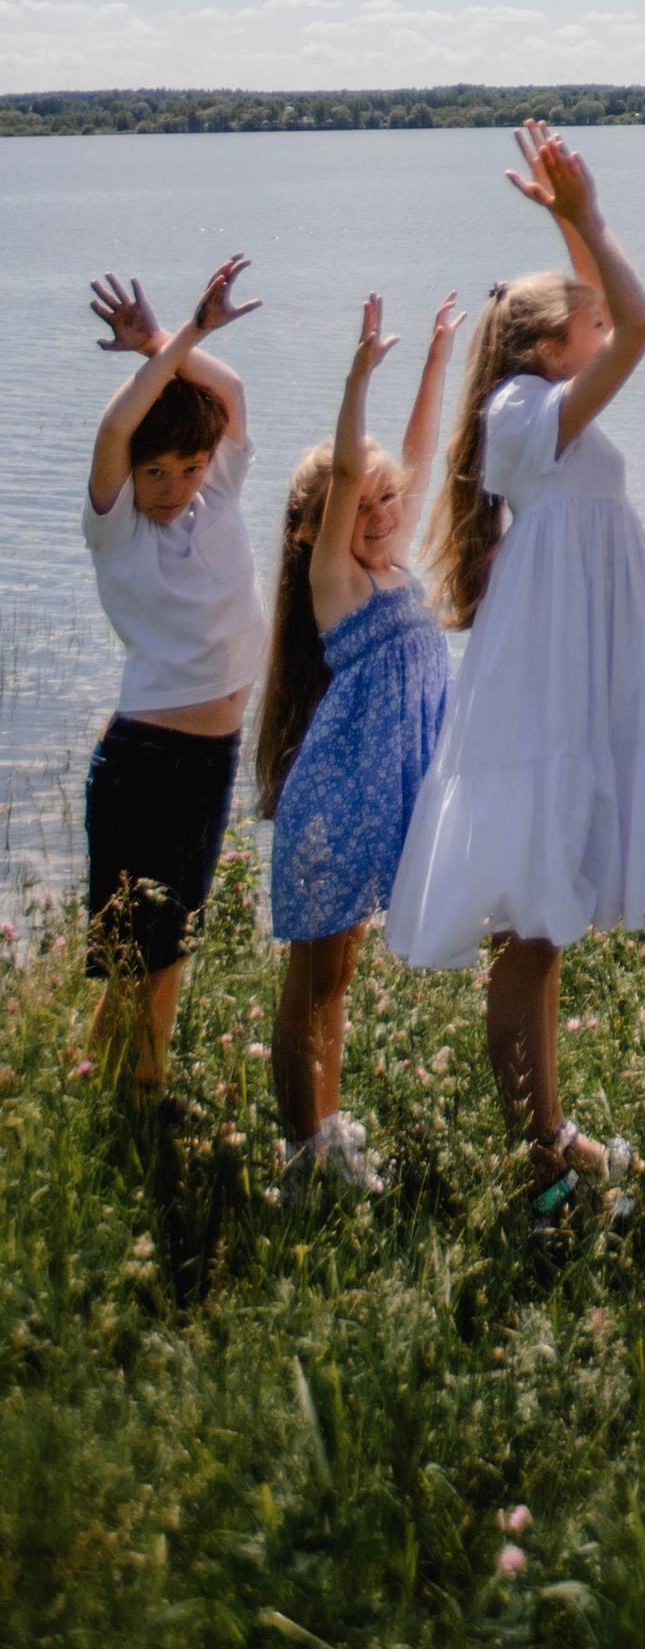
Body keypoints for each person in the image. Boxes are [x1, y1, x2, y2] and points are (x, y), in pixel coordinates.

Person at [386, 129, 645, 1216]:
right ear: (549, 347)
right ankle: (536, 1156)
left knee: (543, 928)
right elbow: (637, 319)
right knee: (530, 927)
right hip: (546, 679)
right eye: (580, 322)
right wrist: (587, 220)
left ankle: (548, 1133)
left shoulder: (541, 401)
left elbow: (606, 305)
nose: (600, 326)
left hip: (572, 663)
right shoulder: (523, 415)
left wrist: (570, 209)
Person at [255, 288, 458, 1191]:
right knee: (316, 979)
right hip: (336, 809)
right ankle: (302, 1155)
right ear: (319, 532)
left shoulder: (395, 562)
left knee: (336, 979)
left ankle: (325, 1134)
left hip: (372, 809)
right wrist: (356, 380)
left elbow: (412, 458)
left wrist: (437, 363)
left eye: (388, 500)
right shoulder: (337, 580)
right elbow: (349, 475)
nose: (379, 511)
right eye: (361, 503)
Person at [79, 254, 266, 1086]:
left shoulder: (214, 496)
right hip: (147, 761)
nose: (173, 487)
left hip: (211, 758)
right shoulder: (118, 533)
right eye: (157, 474)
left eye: (187, 469)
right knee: (134, 958)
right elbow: (118, 433)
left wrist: (159, 338)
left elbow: (226, 400)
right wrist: (185, 333)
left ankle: (124, 1090)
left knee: (171, 947)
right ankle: (128, 1098)